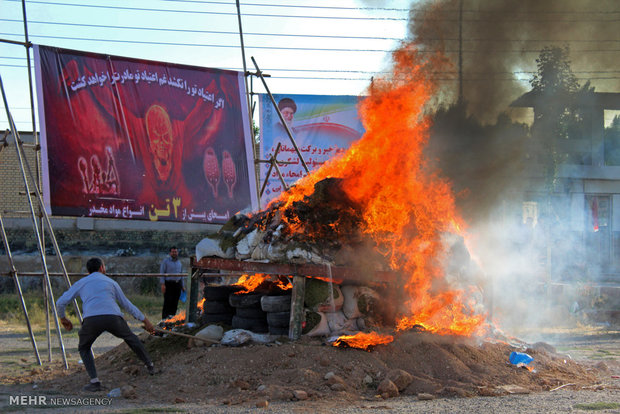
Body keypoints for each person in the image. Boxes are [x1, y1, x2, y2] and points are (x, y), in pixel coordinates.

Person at [56, 257, 156, 392]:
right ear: (102, 268)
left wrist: (63, 318)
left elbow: (60, 302)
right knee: (131, 338)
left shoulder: (82, 282)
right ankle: (150, 366)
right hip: (113, 317)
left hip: (91, 320)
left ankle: (94, 381)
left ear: (88, 270)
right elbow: (127, 304)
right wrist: (146, 321)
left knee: (84, 347)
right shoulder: (111, 282)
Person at [159, 246, 185, 319]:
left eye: (176, 252)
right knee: (167, 303)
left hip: (177, 285)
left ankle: (172, 320)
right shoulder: (165, 261)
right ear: (170, 253)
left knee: (175, 303)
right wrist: (163, 284)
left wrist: (183, 286)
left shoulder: (179, 262)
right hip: (169, 284)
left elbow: (181, 274)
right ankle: (164, 320)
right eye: (173, 252)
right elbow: (162, 273)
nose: (174, 253)